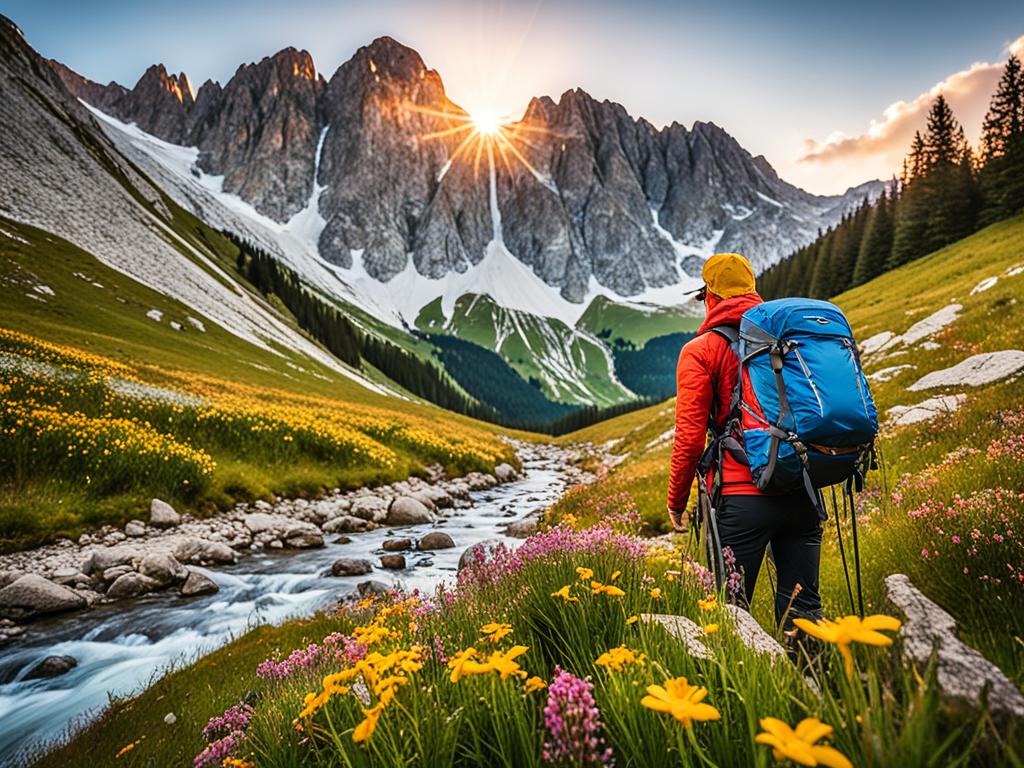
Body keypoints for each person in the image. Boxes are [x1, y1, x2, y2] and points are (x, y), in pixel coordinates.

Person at [665, 253, 823, 628]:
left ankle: (744, 686)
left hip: (740, 500)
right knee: (804, 613)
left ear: (709, 296)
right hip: (801, 491)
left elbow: (689, 438)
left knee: (732, 617)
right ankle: (811, 682)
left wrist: (676, 501)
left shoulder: (701, 351)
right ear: (753, 291)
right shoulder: (786, 340)